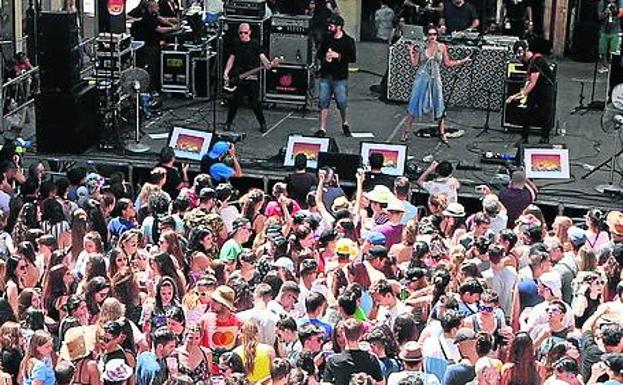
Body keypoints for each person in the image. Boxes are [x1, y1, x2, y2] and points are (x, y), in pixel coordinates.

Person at [400, 26, 471, 142]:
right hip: (421, 79)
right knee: (414, 103)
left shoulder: (441, 47)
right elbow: (414, 64)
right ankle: (406, 131)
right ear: (426, 36)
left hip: (435, 78)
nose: (432, 37)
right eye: (430, 34)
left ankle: (442, 132)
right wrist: (410, 52)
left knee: (439, 104)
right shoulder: (421, 47)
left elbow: (447, 63)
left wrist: (462, 61)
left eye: (434, 34)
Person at [223, 23, 274, 133]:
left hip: (251, 77)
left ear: (250, 32)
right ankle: (228, 123)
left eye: (245, 32)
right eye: (240, 33)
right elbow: (231, 58)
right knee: (235, 102)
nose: (243, 35)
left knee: (255, 102)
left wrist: (267, 63)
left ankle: (263, 123)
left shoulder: (255, 44)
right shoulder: (236, 44)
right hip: (239, 76)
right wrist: (226, 72)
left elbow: (262, 57)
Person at [315, 14, 357, 138]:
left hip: (340, 77)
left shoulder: (348, 41)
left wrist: (338, 56)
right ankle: (322, 128)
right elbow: (319, 54)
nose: (329, 27)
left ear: (339, 27)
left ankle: (345, 123)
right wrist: (325, 58)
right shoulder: (327, 38)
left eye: (331, 25)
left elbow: (352, 58)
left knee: (342, 101)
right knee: (323, 101)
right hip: (326, 75)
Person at [506, 40, 555, 144]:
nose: (520, 59)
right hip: (536, 86)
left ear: (526, 50)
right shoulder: (525, 60)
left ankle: (545, 137)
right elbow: (528, 80)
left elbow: (533, 82)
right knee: (528, 110)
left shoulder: (537, 61)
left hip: (545, 87)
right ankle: (524, 137)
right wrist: (517, 95)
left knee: (544, 112)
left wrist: (522, 94)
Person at [130, 0, 178, 93]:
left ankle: (155, 86)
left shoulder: (154, 15)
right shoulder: (148, 18)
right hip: (149, 45)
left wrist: (171, 23)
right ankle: (150, 88)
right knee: (151, 68)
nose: (159, 8)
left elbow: (162, 19)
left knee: (155, 66)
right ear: (151, 8)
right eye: (156, 7)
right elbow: (159, 30)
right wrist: (172, 28)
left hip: (154, 44)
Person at [322, 319, 384, 385]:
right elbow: (381, 383)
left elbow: (326, 383)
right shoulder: (371, 359)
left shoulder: (333, 361)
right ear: (360, 336)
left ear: (344, 335)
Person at [598, 0, 623, 72]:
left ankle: (613, 67)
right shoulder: (602, 2)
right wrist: (606, 12)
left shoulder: (619, 1)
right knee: (602, 49)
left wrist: (615, 16)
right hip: (604, 29)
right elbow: (599, 16)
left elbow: (621, 12)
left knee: (614, 50)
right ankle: (604, 66)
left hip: (615, 29)